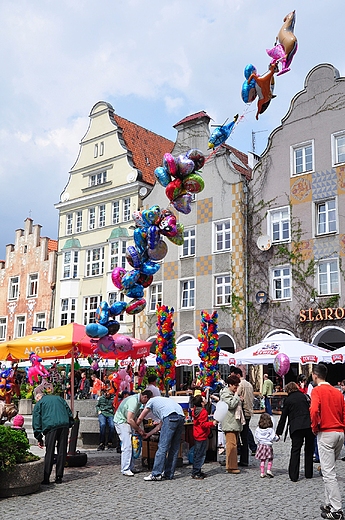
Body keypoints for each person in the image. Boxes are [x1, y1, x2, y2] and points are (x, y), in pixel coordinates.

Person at [310, 363, 345, 520]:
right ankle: (329, 502)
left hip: (326, 432)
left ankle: (337, 509)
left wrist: (314, 426)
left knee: (328, 472)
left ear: (314, 375)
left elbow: (313, 410)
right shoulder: (338, 392)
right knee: (329, 469)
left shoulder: (317, 390)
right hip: (339, 432)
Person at [137, 396, 185, 481]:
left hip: (170, 417)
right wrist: (148, 434)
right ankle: (169, 474)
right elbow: (160, 426)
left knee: (162, 447)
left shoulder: (151, 401)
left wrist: (136, 427)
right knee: (174, 447)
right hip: (181, 417)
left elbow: (141, 417)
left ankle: (156, 474)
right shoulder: (164, 402)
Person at [32, 391, 74, 485]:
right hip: (63, 425)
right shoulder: (59, 398)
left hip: (51, 427)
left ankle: (46, 477)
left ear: (38, 398)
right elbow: (68, 411)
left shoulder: (40, 403)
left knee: (49, 452)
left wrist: (39, 437)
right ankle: (59, 476)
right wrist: (69, 424)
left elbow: (36, 420)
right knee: (62, 451)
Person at [276, 381, 314, 482]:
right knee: (309, 449)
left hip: (296, 427)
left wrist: (278, 432)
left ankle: (294, 475)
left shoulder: (288, 400)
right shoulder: (304, 396)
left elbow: (283, 417)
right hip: (308, 425)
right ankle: (309, 473)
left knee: (295, 450)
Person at [114, 389, 153, 477]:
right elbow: (129, 419)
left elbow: (133, 417)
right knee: (127, 445)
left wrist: (137, 427)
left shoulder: (137, 400)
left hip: (125, 422)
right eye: (146, 401)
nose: (145, 404)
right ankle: (125, 469)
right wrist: (139, 429)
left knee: (132, 445)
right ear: (144, 397)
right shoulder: (134, 402)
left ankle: (130, 466)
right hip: (121, 422)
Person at [219, 374, 244, 474]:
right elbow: (231, 405)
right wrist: (237, 396)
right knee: (231, 445)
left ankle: (232, 465)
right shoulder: (225, 393)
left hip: (234, 422)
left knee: (234, 444)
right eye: (235, 386)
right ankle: (231, 466)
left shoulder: (232, 393)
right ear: (230, 385)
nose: (236, 388)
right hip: (229, 422)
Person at [191, 394, 217, 479]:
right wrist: (212, 423)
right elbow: (203, 424)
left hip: (197, 433)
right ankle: (196, 471)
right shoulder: (203, 412)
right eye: (203, 399)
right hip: (202, 434)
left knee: (197, 453)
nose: (205, 399)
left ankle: (196, 470)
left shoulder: (195, 410)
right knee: (201, 454)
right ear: (202, 403)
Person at [236, 367, 256, 466]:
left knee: (243, 436)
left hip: (243, 411)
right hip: (249, 411)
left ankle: (244, 460)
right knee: (246, 433)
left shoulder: (240, 384)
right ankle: (247, 456)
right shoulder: (249, 384)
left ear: (238, 375)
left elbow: (236, 396)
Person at [255, 412, 279, 478]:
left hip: (261, 445)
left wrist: (260, 441)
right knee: (270, 458)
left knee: (262, 459)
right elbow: (273, 437)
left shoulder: (258, 429)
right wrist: (277, 438)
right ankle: (268, 470)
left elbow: (256, 436)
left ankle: (262, 473)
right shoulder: (270, 430)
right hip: (268, 446)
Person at [96, 382, 115, 451]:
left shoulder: (113, 398)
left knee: (112, 426)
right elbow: (97, 406)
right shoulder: (101, 398)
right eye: (106, 392)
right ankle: (102, 443)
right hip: (103, 413)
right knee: (103, 425)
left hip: (110, 413)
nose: (107, 393)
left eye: (108, 392)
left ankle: (110, 442)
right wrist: (99, 410)